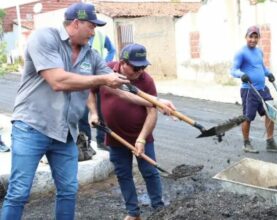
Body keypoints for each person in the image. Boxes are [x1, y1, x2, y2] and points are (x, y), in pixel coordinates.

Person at [0, 3, 174, 220]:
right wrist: (103, 79)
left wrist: (155, 101)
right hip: (32, 127)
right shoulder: (45, 38)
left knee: (68, 191)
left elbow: (118, 87)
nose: (94, 32)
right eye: (92, 26)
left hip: (65, 134)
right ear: (76, 23)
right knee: (19, 192)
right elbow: (57, 81)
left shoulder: (90, 55)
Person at [88, 43, 163, 220]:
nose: (140, 71)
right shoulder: (106, 71)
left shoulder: (146, 81)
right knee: (123, 174)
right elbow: (90, 92)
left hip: (142, 137)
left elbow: (153, 110)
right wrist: (93, 112)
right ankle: (133, 213)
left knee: (150, 172)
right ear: (122, 62)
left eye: (144, 66)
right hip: (115, 137)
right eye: (136, 67)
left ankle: (160, 210)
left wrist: (142, 139)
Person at [230, 25, 277, 154]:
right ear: (246, 37)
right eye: (251, 36)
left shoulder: (259, 51)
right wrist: (241, 75)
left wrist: (269, 74)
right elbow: (233, 70)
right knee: (248, 117)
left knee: (270, 112)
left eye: (255, 37)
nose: (253, 40)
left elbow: (262, 68)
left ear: (258, 38)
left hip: (262, 89)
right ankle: (246, 143)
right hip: (249, 90)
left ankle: (270, 142)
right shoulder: (241, 52)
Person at [78, 31, 116, 151]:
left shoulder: (102, 36)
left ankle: (101, 140)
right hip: (83, 78)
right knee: (82, 115)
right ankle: (86, 142)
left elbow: (112, 50)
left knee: (101, 111)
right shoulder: (77, 37)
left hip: (98, 77)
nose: (92, 28)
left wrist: (105, 62)